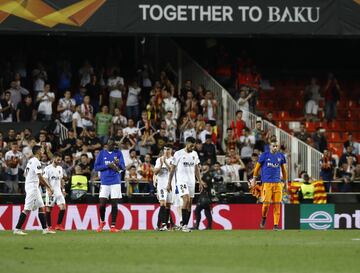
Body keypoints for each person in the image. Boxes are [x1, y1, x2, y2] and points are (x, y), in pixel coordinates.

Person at [13, 145, 55, 235]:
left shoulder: (30, 161)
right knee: (27, 209)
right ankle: (17, 229)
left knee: (41, 207)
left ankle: (45, 229)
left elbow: (25, 174)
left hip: (31, 185)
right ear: (38, 152)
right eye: (41, 150)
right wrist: (49, 187)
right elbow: (40, 177)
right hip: (32, 187)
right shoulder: (36, 162)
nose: (43, 151)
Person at [167, 137, 206, 232]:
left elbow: (196, 168)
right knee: (186, 199)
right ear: (186, 143)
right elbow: (172, 169)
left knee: (189, 204)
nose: (192, 147)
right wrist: (169, 183)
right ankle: (183, 225)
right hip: (181, 181)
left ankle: (185, 225)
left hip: (191, 181)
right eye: (191, 145)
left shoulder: (195, 154)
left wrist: (200, 181)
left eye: (194, 146)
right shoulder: (178, 153)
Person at [250, 140, 288, 230]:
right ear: (270, 147)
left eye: (276, 146)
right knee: (266, 204)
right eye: (273, 146)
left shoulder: (281, 156)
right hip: (267, 184)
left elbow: (284, 170)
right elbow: (257, 168)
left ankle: (275, 225)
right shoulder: (264, 155)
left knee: (277, 204)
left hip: (278, 183)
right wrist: (254, 179)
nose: (275, 148)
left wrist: (286, 183)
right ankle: (264, 217)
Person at [94, 139, 125, 233]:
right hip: (104, 182)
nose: (112, 146)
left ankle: (113, 226)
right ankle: (102, 222)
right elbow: (96, 167)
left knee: (114, 204)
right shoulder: (102, 153)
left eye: (113, 144)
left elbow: (123, 167)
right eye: (110, 144)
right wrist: (108, 166)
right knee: (102, 204)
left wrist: (117, 163)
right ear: (106, 145)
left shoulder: (118, 153)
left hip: (115, 181)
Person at [43, 153, 66, 231]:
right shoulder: (47, 168)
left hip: (59, 191)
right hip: (51, 191)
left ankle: (58, 225)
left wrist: (63, 190)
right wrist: (49, 189)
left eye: (60, 159)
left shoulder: (60, 168)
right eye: (58, 159)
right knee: (49, 208)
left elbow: (61, 179)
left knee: (63, 207)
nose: (59, 161)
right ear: (53, 159)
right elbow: (45, 179)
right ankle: (49, 226)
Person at [154, 146, 174, 231]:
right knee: (162, 203)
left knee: (168, 205)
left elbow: (171, 170)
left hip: (170, 184)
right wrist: (161, 164)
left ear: (171, 150)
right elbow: (155, 172)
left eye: (168, 149)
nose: (166, 151)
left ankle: (162, 225)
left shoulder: (174, 159)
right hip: (162, 185)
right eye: (165, 149)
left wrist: (165, 162)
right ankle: (164, 225)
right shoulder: (159, 160)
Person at [194, 163, 213, 230]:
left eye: (204, 165)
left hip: (205, 195)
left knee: (197, 211)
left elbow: (205, 185)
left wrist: (199, 180)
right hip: (205, 195)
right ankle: (209, 226)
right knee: (207, 211)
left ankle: (197, 226)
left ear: (208, 167)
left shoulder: (208, 175)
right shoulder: (204, 174)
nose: (203, 166)